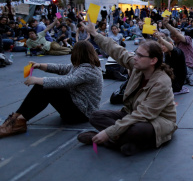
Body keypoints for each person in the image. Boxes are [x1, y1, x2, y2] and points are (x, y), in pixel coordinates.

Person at [77, 16, 177, 156]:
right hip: (132, 113)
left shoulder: (162, 82)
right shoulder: (138, 67)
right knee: (95, 116)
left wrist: (108, 132)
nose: (135, 57)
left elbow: (143, 114)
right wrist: (95, 34)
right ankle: (128, 143)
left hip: (157, 121)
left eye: (140, 55)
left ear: (153, 60)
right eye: (136, 54)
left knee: (136, 130)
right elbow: (117, 51)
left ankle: (108, 141)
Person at [0, 41, 103, 138]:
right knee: (44, 86)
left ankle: (19, 122)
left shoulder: (89, 70)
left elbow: (66, 81)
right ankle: (16, 118)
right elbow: (61, 68)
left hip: (82, 114)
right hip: (78, 107)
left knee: (48, 87)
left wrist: (38, 79)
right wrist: (39, 65)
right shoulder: (81, 66)